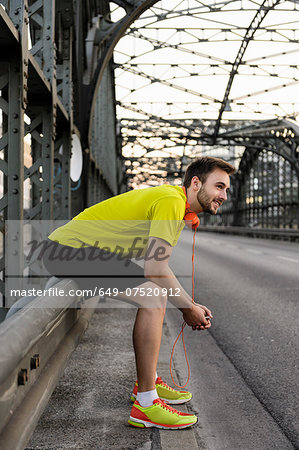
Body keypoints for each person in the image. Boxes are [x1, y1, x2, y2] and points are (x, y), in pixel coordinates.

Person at [42, 156, 235, 429]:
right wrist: (188, 308)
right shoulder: (171, 202)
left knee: (156, 291)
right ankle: (146, 403)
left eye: (226, 189)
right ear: (195, 183)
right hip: (69, 251)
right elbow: (155, 268)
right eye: (219, 186)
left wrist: (189, 303)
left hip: (78, 250)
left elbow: (156, 268)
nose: (223, 195)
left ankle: (147, 384)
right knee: (154, 295)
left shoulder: (173, 202)